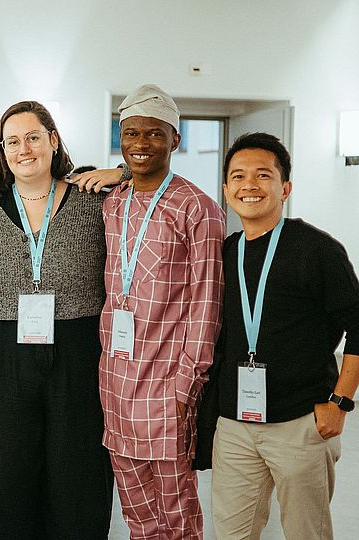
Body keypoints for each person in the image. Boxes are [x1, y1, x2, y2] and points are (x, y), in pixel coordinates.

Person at [0, 101, 114, 537]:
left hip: (77, 346)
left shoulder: (92, 195)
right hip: (0, 349)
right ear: (2, 149)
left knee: (77, 472)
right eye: (12, 141)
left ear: (53, 141)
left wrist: (122, 171)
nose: (24, 149)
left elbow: (149, 177)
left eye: (33, 137)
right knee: (2, 476)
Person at [211, 132, 359, 539]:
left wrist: (341, 402)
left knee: (305, 533)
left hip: (300, 421)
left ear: (285, 187)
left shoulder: (317, 249)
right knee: (231, 534)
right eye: (238, 176)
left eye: (263, 175)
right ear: (226, 190)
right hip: (235, 423)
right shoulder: (226, 251)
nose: (250, 185)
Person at [98, 84, 224, 539]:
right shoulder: (112, 202)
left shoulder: (197, 208)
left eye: (154, 134)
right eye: (131, 133)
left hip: (169, 382)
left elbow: (207, 302)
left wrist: (188, 382)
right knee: (136, 511)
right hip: (115, 381)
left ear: (175, 139)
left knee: (176, 514)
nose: (140, 144)